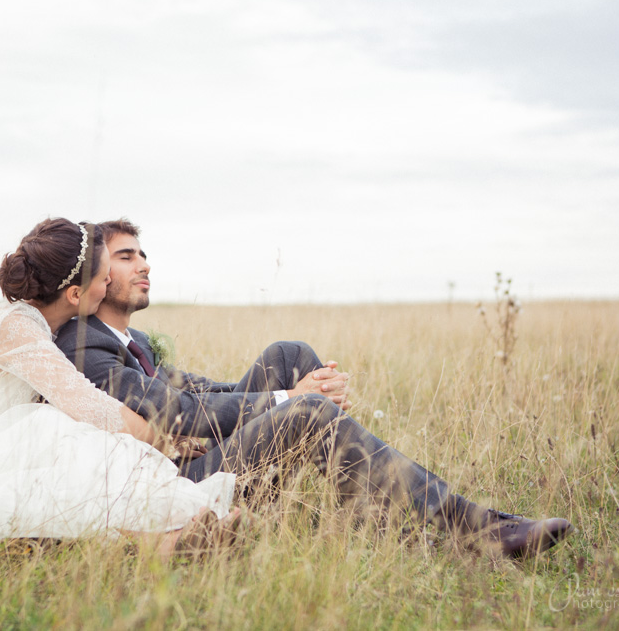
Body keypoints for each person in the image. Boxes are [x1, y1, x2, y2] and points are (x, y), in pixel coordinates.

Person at [55, 219, 575, 558]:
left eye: (143, 253)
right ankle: (478, 529)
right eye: (126, 257)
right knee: (306, 413)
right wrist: (291, 402)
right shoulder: (83, 342)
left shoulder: (134, 337)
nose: (144, 264)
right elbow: (179, 414)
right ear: (96, 274)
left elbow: (203, 391)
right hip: (168, 485)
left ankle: (378, 517)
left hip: (193, 457)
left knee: (288, 355)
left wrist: (295, 386)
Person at [0, 218, 239, 555]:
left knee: (69, 437)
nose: (110, 283)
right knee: (64, 433)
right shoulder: (17, 328)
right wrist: (165, 442)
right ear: (75, 295)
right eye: (104, 278)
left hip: (14, 440)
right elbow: (89, 403)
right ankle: (166, 537)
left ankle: (166, 535)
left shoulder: (43, 324)